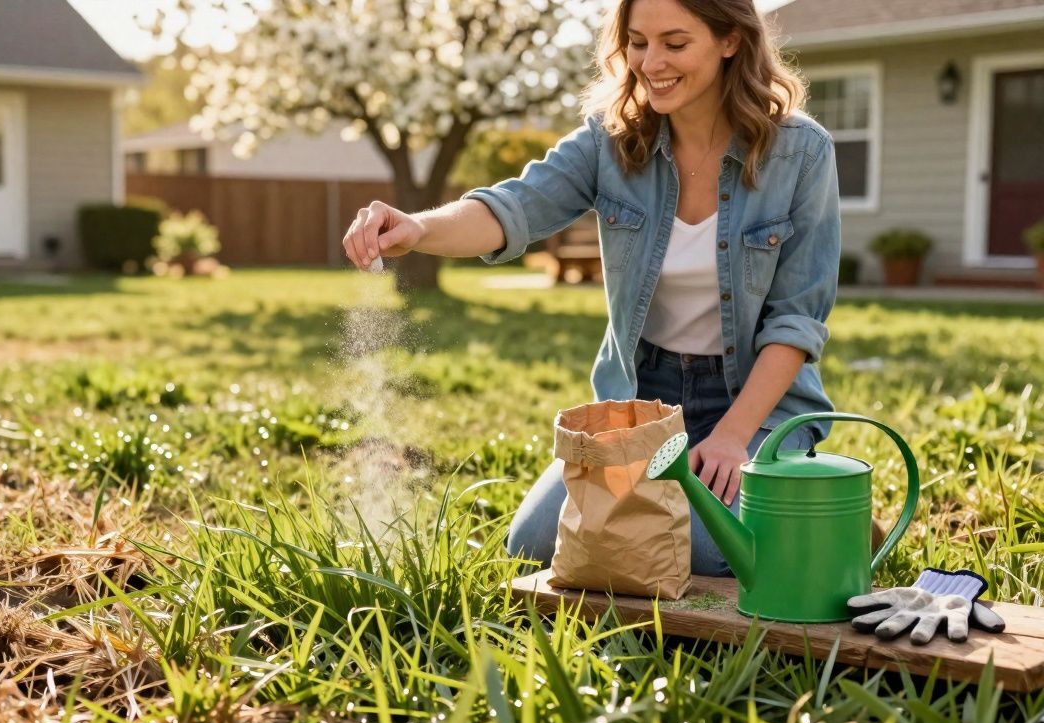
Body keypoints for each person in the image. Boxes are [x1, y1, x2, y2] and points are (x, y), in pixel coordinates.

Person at [340, 0, 839, 577]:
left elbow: (796, 321)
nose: (652, 63)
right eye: (638, 42)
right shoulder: (611, 141)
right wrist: (419, 229)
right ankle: (748, 506)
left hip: (755, 408)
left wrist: (731, 437)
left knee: (703, 550)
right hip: (643, 402)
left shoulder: (801, 153)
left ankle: (820, 506)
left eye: (676, 45)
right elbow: (514, 206)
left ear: (730, 40)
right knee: (533, 543)